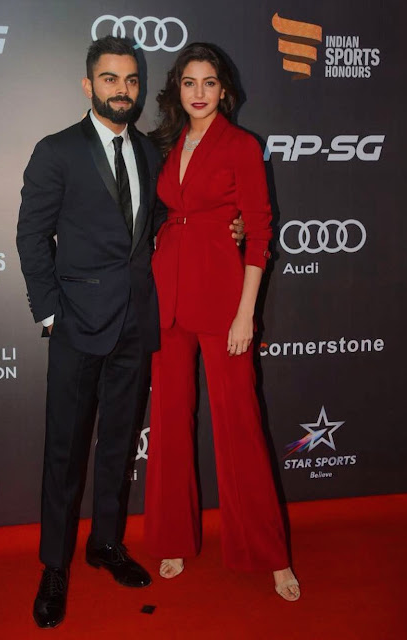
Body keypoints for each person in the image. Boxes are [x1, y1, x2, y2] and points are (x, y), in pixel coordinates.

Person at [17, 36, 245, 629]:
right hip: (76, 325)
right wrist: (51, 314)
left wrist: (233, 227)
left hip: (136, 324)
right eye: (110, 78)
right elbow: (31, 237)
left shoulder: (150, 151)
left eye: (131, 80)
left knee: (118, 446)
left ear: (140, 87)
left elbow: (175, 220)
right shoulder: (56, 151)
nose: (122, 90)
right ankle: (54, 566)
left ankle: (106, 544)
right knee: (66, 452)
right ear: (88, 85)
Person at [144, 43, 300, 602]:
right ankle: (171, 538)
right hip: (167, 299)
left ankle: (269, 554)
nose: (199, 92)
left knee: (240, 426)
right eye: (189, 82)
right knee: (168, 424)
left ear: (224, 90)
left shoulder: (241, 145)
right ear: (177, 89)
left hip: (223, 301)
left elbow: (258, 233)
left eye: (209, 82)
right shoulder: (164, 144)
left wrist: (245, 314)